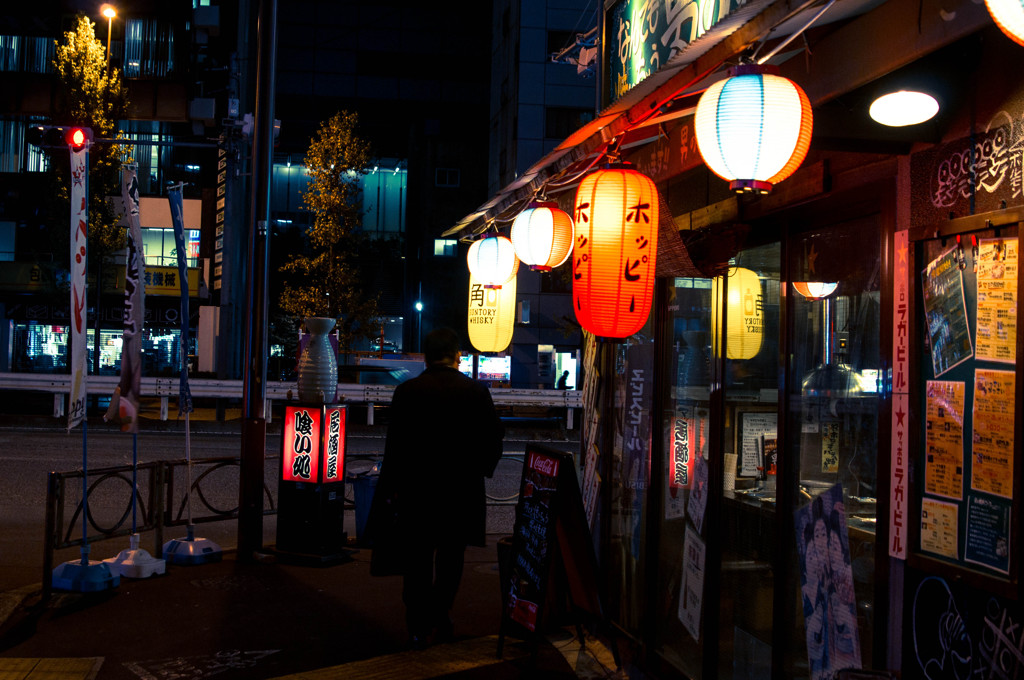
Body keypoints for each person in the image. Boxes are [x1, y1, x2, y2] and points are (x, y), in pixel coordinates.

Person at [370, 327, 504, 649]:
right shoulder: (475, 392)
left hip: (417, 493)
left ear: (426, 357)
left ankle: (417, 625)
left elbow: (395, 448)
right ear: (457, 355)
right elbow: (493, 440)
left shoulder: (407, 392)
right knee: (451, 558)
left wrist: (391, 489)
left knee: (416, 559)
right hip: (461, 492)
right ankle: (440, 613)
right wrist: (481, 470)